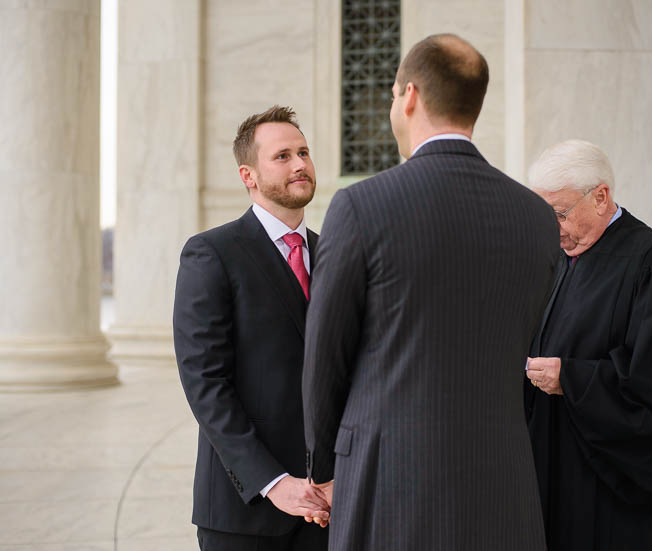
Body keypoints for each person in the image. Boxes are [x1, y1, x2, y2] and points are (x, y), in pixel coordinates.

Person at [302, 33, 560, 551]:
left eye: (393, 96)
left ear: (411, 96)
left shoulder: (361, 207)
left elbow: (324, 358)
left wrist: (324, 466)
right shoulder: (536, 217)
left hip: (390, 482)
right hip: (503, 479)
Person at [524, 139, 652, 551]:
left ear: (601, 197)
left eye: (559, 213)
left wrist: (570, 379)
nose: (552, 227)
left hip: (619, 500)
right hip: (554, 476)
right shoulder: (558, 262)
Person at [173, 105, 330, 551]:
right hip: (245, 512)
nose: (300, 164)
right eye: (282, 156)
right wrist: (274, 482)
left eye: (303, 152)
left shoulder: (334, 254)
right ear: (249, 175)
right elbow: (205, 384)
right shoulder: (211, 253)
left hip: (327, 507)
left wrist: (341, 475)